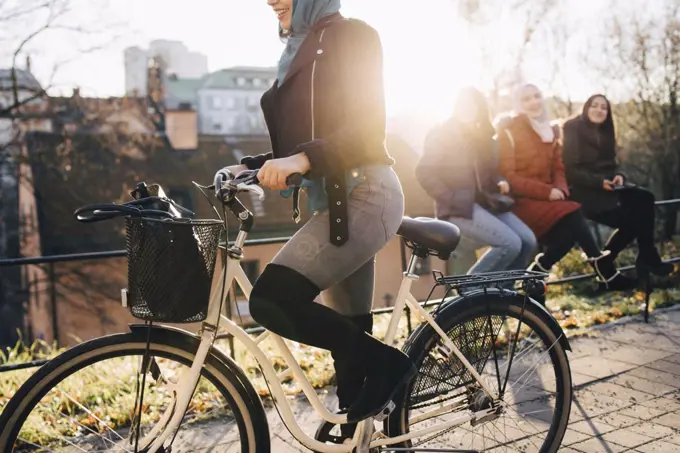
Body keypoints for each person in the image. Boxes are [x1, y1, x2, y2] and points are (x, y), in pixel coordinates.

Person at [220, 0, 416, 439]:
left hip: (368, 195)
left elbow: (366, 128)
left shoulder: (354, 36)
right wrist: (252, 166)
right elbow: (304, 143)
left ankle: (390, 364)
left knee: (270, 299)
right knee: (348, 346)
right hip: (333, 203)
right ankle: (359, 433)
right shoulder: (298, 51)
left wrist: (304, 159)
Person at [497, 84, 636, 291]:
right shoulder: (508, 132)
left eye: (537, 96)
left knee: (569, 233)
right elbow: (510, 177)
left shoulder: (551, 130)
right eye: (526, 99)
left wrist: (560, 189)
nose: (534, 102)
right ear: (518, 104)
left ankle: (535, 275)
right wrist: (547, 192)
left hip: (550, 199)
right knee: (574, 213)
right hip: (524, 201)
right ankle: (602, 267)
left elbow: (558, 167)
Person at [416, 87, 537, 275]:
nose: (467, 109)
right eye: (463, 104)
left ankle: (503, 292)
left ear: (480, 109)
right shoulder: (442, 133)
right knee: (510, 244)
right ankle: (470, 292)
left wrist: (500, 180)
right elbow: (424, 172)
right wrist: (451, 198)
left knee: (528, 241)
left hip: (489, 203)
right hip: (459, 207)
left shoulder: (486, 138)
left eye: (473, 105)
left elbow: (492, 172)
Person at [563, 94, 673, 276]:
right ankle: (624, 260)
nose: (599, 110)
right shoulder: (573, 127)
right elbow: (570, 170)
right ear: (586, 107)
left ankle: (642, 257)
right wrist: (599, 182)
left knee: (646, 198)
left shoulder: (606, 130)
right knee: (636, 222)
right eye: (594, 105)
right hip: (584, 191)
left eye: (604, 108)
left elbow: (614, 163)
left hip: (608, 188)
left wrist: (619, 175)